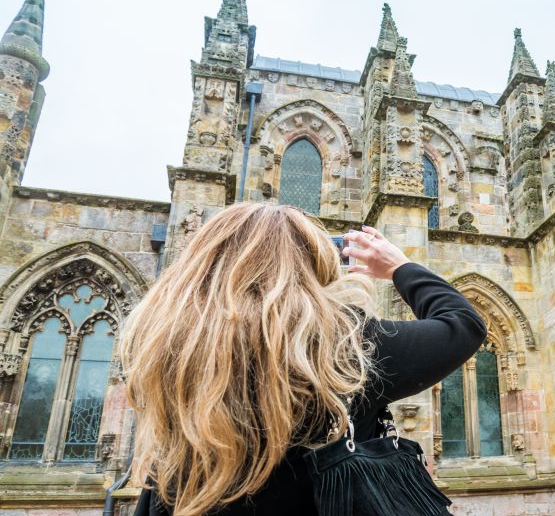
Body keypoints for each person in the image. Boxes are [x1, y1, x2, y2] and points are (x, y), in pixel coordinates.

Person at [122, 203, 487, 516]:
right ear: (311, 265)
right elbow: (463, 324)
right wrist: (398, 267)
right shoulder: (344, 345)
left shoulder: (168, 348)